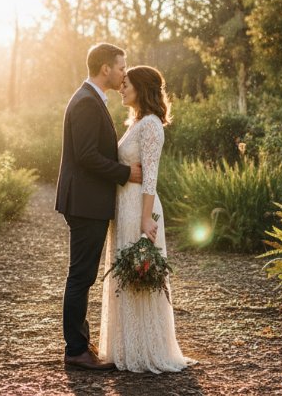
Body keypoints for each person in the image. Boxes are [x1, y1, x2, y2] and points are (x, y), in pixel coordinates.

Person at [98, 65, 192, 373]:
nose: (121, 89)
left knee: (140, 277)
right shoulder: (136, 123)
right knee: (126, 276)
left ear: (142, 88)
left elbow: (151, 177)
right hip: (125, 206)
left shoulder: (152, 125)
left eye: (126, 85)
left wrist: (145, 218)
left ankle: (147, 350)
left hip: (140, 208)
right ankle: (126, 346)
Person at [56, 43, 142, 371]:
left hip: (87, 200)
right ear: (105, 68)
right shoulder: (86, 102)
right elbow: (87, 155)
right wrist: (126, 174)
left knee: (83, 274)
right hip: (85, 202)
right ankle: (75, 350)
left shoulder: (90, 99)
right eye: (121, 67)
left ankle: (79, 343)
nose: (124, 74)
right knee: (80, 275)